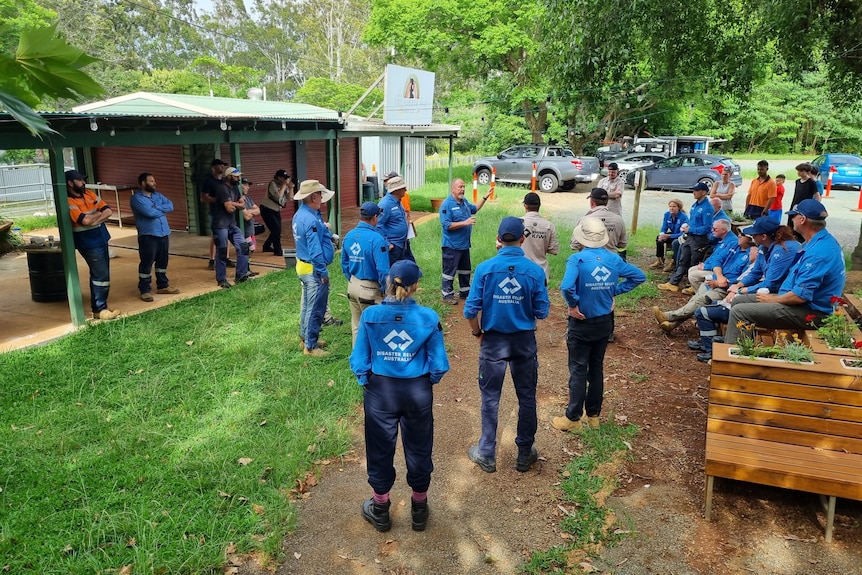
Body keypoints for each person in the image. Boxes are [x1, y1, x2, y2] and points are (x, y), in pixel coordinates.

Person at [350, 260, 449, 533]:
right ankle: (419, 509)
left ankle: (381, 509)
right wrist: (428, 380)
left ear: (389, 283)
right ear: (416, 286)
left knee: (379, 448)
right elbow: (439, 364)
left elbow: (359, 359)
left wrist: (364, 379)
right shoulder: (428, 317)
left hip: (380, 391)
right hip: (416, 391)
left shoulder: (370, 317)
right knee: (419, 448)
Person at [464, 217, 550, 474]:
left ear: (499, 240)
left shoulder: (485, 268)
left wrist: (478, 333)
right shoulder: (535, 271)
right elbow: (542, 312)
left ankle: (487, 454)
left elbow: (470, 310)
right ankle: (524, 453)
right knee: (526, 397)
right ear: (523, 239)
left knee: (490, 398)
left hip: (493, 342)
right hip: (524, 342)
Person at [552, 217, 645, 433]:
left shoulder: (577, 260)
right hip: (605, 323)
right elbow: (638, 276)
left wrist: (573, 305)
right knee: (596, 368)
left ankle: (573, 419)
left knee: (578, 370)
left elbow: (566, 286)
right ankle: (593, 417)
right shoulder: (613, 259)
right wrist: (614, 291)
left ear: (581, 237)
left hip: (581, 322)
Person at [723, 199, 845, 345]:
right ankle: (739, 342)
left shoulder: (818, 252)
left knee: (740, 312)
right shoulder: (816, 241)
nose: (791, 219)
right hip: (796, 302)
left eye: (793, 216)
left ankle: (734, 361)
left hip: (812, 312)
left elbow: (801, 296)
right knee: (738, 300)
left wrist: (774, 299)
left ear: (802, 219)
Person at [691, 218, 800, 362]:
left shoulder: (782, 250)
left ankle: (724, 353)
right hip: (766, 291)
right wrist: (739, 285)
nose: (751, 237)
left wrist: (742, 291)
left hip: (779, 295)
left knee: (732, 307)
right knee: (723, 303)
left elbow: (771, 283)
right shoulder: (763, 247)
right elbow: (755, 273)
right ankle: (714, 344)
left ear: (764, 236)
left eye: (754, 234)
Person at [652, 226, 751, 335]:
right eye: (739, 234)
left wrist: (719, 282)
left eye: (743, 235)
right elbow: (718, 260)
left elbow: (744, 279)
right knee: (695, 299)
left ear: (751, 239)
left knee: (700, 300)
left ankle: (668, 316)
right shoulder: (734, 245)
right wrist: (719, 276)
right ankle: (672, 324)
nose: (739, 236)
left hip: (726, 290)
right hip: (714, 281)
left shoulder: (752, 255)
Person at [65, 169, 120, 320]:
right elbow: (86, 221)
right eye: (80, 180)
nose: (83, 183)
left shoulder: (88, 193)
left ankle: (101, 307)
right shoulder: (69, 201)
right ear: (70, 183)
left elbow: (108, 211)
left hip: (101, 238)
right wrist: (98, 216)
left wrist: (94, 217)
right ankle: (99, 309)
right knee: (100, 274)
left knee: (102, 274)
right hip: (88, 242)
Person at [293, 179, 336, 357]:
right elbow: (315, 249)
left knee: (307, 308)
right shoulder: (310, 220)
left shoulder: (301, 214)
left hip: (303, 265)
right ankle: (310, 347)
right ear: (313, 197)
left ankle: (305, 338)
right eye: (319, 194)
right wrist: (322, 271)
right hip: (313, 269)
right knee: (315, 309)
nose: (322, 197)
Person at [341, 202, 390, 343]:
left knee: (356, 326)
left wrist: (351, 279)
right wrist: (385, 289)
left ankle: (357, 361)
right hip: (370, 289)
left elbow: (344, 263)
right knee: (377, 328)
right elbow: (383, 270)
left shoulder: (349, 236)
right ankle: (375, 361)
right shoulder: (377, 239)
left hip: (352, 286)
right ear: (375, 217)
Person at [439, 178, 491, 304]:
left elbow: (475, 209)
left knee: (465, 271)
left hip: (464, 245)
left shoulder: (464, 202)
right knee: (449, 272)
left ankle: (465, 293)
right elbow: (446, 225)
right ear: (452, 189)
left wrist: (484, 197)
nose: (462, 189)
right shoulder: (446, 205)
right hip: (451, 245)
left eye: (463, 187)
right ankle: (447, 295)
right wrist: (465, 223)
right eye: (459, 187)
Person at [130, 172, 179, 302]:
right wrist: (160, 211)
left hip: (163, 233)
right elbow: (149, 213)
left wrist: (156, 207)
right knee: (147, 262)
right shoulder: (137, 198)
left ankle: (163, 285)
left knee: (162, 261)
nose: (154, 183)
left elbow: (171, 206)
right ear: (143, 183)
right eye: (151, 181)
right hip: (148, 235)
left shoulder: (157, 195)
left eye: (154, 181)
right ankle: (145, 289)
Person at [659, 182, 713, 292]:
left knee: (694, 262)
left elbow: (707, 228)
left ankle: (692, 286)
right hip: (690, 237)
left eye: (696, 190)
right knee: (682, 260)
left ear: (703, 192)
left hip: (699, 240)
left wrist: (691, 229)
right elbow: (693, 221)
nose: (693, 192)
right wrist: (687, 228)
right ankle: (673, 283)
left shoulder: (707, 208)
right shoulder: (695, 205)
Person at [211, 167, 252, 289]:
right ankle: (221, 279)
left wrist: (233, 204)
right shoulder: (222, 189)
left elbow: (242, 204)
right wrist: (235, 204)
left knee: (244, 247)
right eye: (236, 176)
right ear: (229, 176)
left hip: (231, 224)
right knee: (222, 251)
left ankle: (241, 275)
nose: (238, 178)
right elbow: (229, 208)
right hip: (220, 225)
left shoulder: (235, 188)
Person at [570, 188, 627, 259]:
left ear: (592, 202)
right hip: (611, 261)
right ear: (607, 202)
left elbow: (574, 245)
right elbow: (622, 244)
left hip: (590, 261)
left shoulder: (584, 220)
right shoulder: (618, 219)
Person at [202, 158, 234, 271]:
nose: (222, 167)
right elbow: (204, 197)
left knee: (228, 235)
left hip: (226, 212)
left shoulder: (225, 181)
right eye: (220, 165)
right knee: (216, 236)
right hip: (215, 212)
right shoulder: (209, 181)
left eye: (223, 165)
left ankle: (227, 257)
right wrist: (218, 200)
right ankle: (212, 259)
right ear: (213, 167)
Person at [520, 192, 559, 279]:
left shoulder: (518, 223)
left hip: (522, 271)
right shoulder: (549, 226)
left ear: (525, 206)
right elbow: (554, 250)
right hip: (542, 272)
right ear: (539, 206)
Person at [378, 176, 414, 265]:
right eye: (403, 188)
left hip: (402, 243)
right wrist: (387, 244)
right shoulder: (385, 204)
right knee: (392, 273)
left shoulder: (398, 201)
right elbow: (378, 225)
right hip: (393, 246)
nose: (406, 190)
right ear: (396, 190)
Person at [260, 169, 293, 257]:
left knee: (277, 230)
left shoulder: (284, 185)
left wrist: (291, 187)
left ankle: (266, 246)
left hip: (276, 210)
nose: (285, 180)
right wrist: (284, 185)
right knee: (276, 229)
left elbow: (290, 198)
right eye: (283, 178)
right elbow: (278, 196)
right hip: (267, 209)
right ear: (278, 177)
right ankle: (277, 250)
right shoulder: (273, 184)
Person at [649, 198, 687, 270]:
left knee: (675, 243)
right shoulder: (667, 215)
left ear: (679, 207)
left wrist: (669, 235)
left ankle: (673, 262)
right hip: (672, 234)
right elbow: (664, 227)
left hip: (679, 236)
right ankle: (659, 260)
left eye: (674, 206)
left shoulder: (683, 217)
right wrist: (662, 235)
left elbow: (682, 233)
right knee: (658, 239)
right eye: (670, 206)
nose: (671, 208)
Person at [788, 162, 820, 228]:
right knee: (791, 222)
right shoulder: (797, 181)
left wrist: (816, 205)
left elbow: (817, 194)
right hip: (795, 204)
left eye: (801, 171)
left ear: (807, 172)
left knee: (802, 223)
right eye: (798, 171)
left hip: (805, 206)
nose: (799, 173)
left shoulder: (811, 182)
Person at [240, 178, 261, 276]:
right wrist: (251, 212)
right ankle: (244, 269)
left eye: (248, 185)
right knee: (250, 249)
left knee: (252, 249)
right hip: (244, 231)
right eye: (246, 185)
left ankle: (247, 267)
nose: (248, 187)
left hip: (250, 229)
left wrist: (249, 211)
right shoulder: (239, 199)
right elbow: (246, 217)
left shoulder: (248, 198)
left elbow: (258, 210)